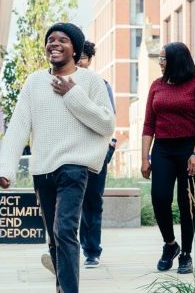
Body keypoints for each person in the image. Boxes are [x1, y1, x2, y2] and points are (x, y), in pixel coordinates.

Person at [0, 23, 115, 293]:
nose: (55, 43)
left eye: (63, 40)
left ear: (75, 49)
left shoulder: (90, 81)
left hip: (75, 167)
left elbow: (107, 124)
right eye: (51, 39)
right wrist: (6, 168)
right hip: (43, 170)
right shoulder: (34, 81)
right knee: (54, 236)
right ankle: (63, 286)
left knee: (64, 230)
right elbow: (18, 126)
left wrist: (72, 94)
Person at [40, 40, 117, 273]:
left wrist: (109, 147)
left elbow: (108, 119)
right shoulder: (50, 82)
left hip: (94, 154)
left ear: (90, 60)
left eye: (83, 57)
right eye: (77, 55)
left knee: (92, 202)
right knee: (60, 205)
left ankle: (92, 250)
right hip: (63, 156)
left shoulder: (99, 84)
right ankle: (60, 251)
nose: (78, 60)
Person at [140, 42, 195, 274]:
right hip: (162, 149)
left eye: (163, 59)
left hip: (189, 148)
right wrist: (144, 158)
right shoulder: (156, 86)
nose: (160, 62)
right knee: (159, 198)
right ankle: (170, 245)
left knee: (186, 202)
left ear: (177, 60)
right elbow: (149, 123)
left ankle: (187, 254)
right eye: (159, 59)